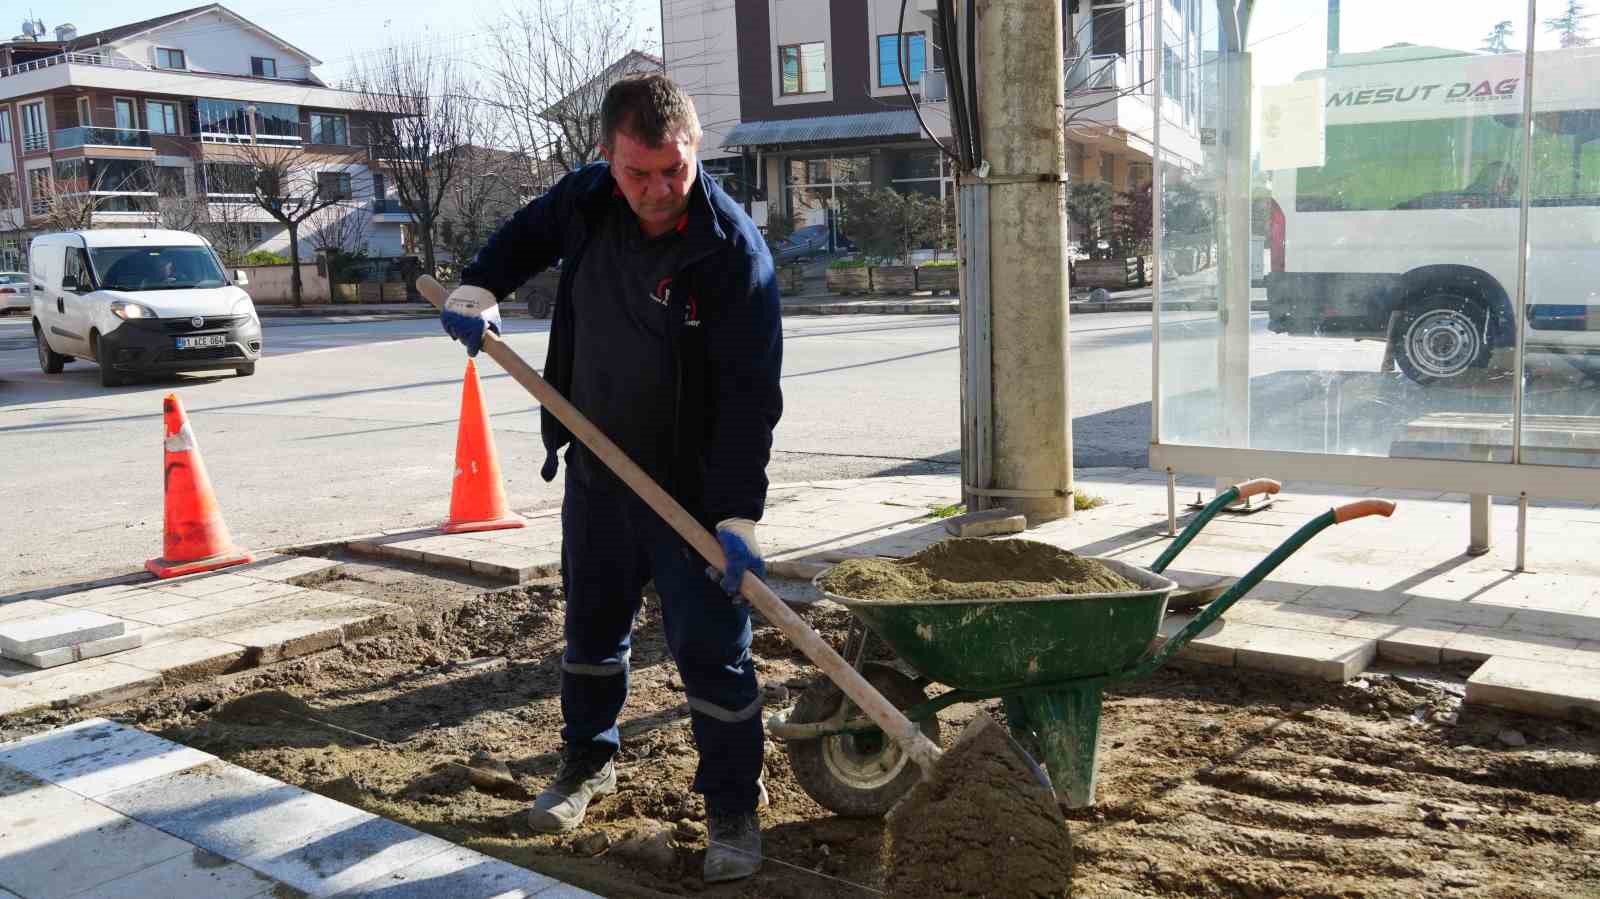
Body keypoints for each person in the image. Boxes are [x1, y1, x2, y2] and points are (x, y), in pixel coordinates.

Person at [438, 74, 783, 883]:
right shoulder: (589, 199)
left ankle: (733, 799)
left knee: (712, 650)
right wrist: (480, 285)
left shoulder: (732, 254)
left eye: (675, 169)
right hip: (597, 471)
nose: (660, 190)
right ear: (607, 156)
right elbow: (525, 235)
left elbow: (749, 396)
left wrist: (737, 515)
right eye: (640, 172)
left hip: (689, 492)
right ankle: (588, 760)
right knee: (593, 629)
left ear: (693, 148)